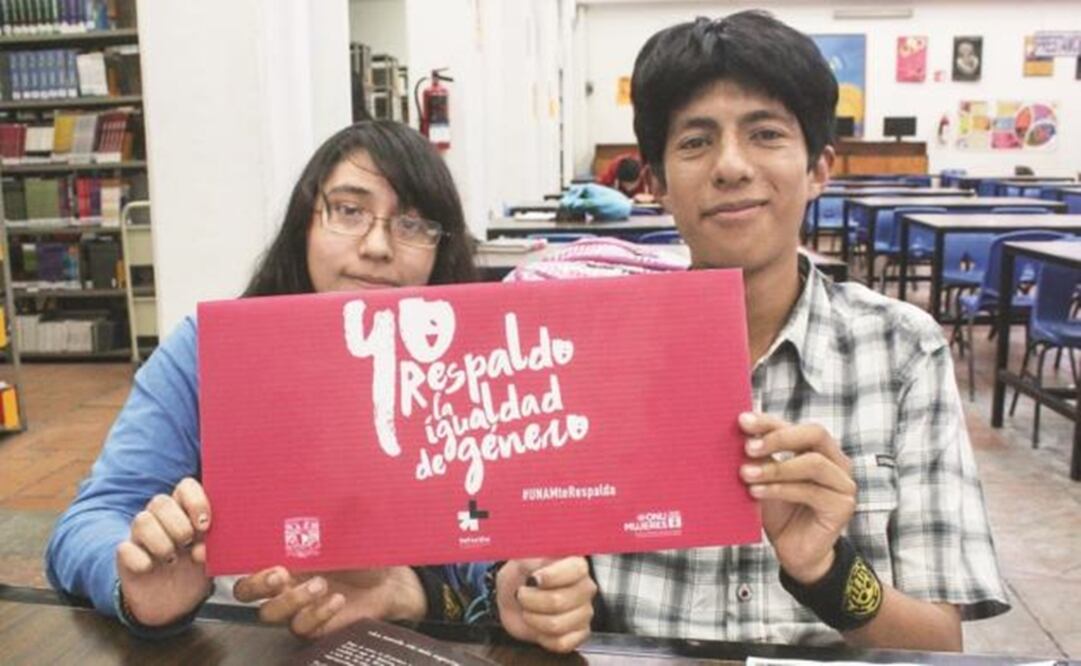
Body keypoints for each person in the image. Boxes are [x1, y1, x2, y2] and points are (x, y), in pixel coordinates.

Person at [45, 120, 597, 652]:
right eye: (350, 210)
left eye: (412, 224)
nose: (378, 245)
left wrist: (509, 586)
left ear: (440, 246)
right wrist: (136, 584)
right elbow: (90, 521)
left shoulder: (467, 366)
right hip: (235, 642)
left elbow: (485, 536)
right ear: (304, 221)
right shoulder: (209, 352)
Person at [578, 11, 1008, 649]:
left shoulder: (902, 351)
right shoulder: (590, 354)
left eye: (766, 134)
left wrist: (827, 572)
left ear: (818, 169)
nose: (730, 166)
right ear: (658, 183)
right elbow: (540, 582)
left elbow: (938, 646)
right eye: (695, 141)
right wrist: (531, 598)